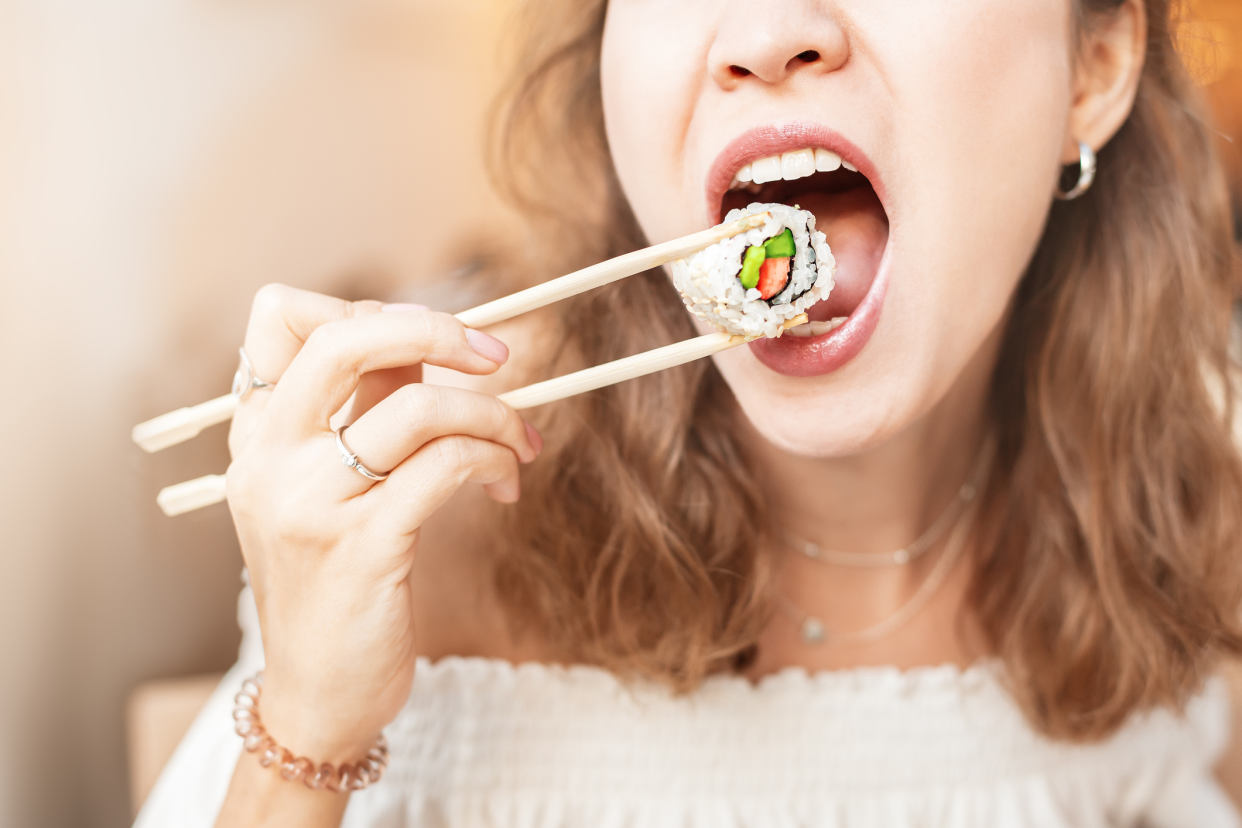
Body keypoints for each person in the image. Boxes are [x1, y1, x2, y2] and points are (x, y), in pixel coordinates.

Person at [135, 0, 1242, 825]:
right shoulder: (437, 513)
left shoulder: (1184, 538)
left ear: (1092, 67)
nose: (765, 29)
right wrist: (306, 726)